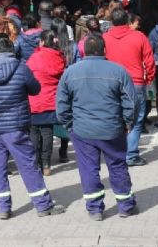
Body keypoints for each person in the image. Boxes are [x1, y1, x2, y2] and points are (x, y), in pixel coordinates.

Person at [0, 36, 65, 220]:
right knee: (29, 166)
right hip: (17, 127)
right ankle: (43, 205)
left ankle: (3, 208)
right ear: (12, 50)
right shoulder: (21, 69)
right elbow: (36, 89)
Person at [56, 35, 139, 221]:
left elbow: (61, 105)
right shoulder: (118, 71)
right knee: (117, 166)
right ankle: (125, 205)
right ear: (104, 50)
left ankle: (95, 209)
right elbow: (132, 103)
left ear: (84, 50)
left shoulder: (70, 72)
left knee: (88, 169)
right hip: (112, 128)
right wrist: (128, 123)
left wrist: (70, 126)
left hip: (82, 130)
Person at [103, 9, 155, 166]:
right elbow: (149, 61)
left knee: (115, 118)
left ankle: (116, 153)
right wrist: (149, 78)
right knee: (136, 120)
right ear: (127, 20)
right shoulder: (139, 37)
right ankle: (131, 155)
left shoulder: (104, 38)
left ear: (111, 21)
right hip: (136, 82)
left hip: (111, 82)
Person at [26, 30, 65, 176]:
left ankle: (36, 164)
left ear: (42, 42)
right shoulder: (59, 58)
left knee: (34, 132)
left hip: (34, 99)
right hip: (50, 99)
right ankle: (47, 164)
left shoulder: (34, 57)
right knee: (47, 132)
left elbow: (27, 76)